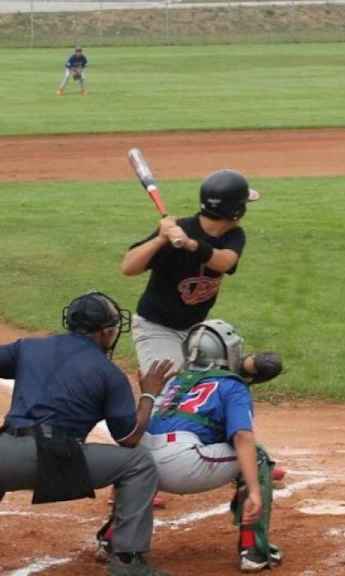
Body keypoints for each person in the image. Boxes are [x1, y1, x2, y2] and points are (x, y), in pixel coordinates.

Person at [0, 292, 175, 576]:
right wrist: (149, 394)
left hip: (4, 451)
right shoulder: (109, 373)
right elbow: (128, 438)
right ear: (105, 332)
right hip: (52, 459)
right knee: (139, 463)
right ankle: (128, 562)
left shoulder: (27, 347)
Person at [95, 320, 284, 572]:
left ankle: (113, 538)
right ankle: (253, 550)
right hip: (184, 463)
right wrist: (255, 491)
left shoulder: (175, 380)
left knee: (141, 450)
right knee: (256, 456)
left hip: (141, 465)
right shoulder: (232, 385)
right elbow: (241, 437)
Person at [121, 170, 261, 373]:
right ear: (236, 210)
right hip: (156, 326)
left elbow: (225, 262)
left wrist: (190, 244)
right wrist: (160, 238)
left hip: (196, 330)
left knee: (207, 384)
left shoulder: (234, 235)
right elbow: (128, 267)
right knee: (168, 388)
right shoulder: (178, 229)